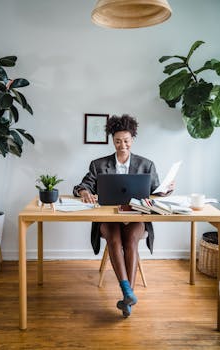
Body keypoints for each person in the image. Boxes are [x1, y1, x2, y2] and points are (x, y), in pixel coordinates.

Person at [73, 114, 174, 318]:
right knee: (114, 238)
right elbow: (82, 185)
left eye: (126, 141)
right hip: (109, 218)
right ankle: (127, 292)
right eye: (118, 141)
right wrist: (84, 192)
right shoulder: (98, 164)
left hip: (136, 216)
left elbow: (156, 190)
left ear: (132, 140)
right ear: (113, 140)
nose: (122, 145)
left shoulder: (146, 164)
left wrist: (166, 190)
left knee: (130, 241)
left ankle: (128, 299)